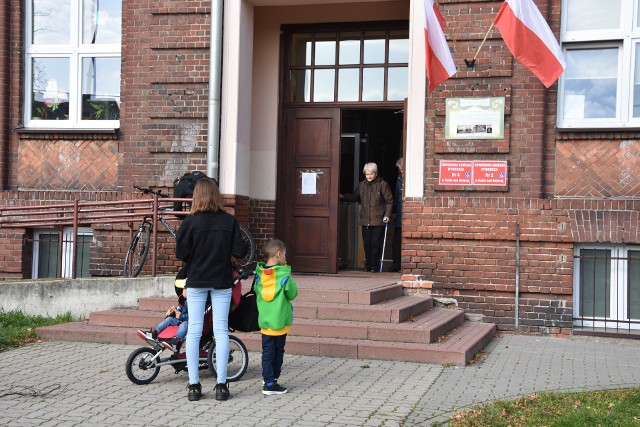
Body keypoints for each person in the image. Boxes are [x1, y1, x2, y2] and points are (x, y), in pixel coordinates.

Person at [175, 178, 248, 402]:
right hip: (222, 281)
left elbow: (181, 254)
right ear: (216, 195)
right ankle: (221, 385)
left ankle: (194, 386)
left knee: (195, 331)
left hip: (197, 281)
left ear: (196, 197)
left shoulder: (189, 223)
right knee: (220, 331)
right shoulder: (229, 221)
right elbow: (240, 250)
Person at [254, 238, 298, 395]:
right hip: (280, 322)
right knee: (278, 352)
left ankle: (268, 378)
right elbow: (292, 293)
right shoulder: (284, 276)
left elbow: (257, 292)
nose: (286, 257)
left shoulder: (259, 275)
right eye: (285, 254)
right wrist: (287, 272)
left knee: (267, 352)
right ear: (279, 254)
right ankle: (271, 383)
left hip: (265, 321)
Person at [340, 162, 393, 272]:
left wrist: (387, 215)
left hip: (378, 220)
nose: (369, 176)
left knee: (375, 245)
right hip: (365, 220)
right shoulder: (362, 185)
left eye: (371, 174)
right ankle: (368, 265)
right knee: (367, 244)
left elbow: (389, 201)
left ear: (376, 173)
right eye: (367, 174)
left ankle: (375, 266)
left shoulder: (383, 184)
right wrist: (342, 196)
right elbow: (355, 197)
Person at [137, 287, 188, 353]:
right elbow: (178, 310)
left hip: (189, 323)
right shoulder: (183, 301)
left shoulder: (195, 302)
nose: (184, 291)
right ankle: (154, 333)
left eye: (185, 289)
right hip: (180, 320)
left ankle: (175, 341)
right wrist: (172, 313)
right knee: (169, 319)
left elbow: (193, 317)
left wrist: (180, 315)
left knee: (184, 324)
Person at [390, 157, 403, 272]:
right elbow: (396, 197)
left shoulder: (409, 178)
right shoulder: (399, 179)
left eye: (402, 169)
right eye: (400, 169)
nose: (401, 171)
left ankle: (403, 265)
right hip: (399, 213)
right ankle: (396, 263)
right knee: (396, 242)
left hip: (407, 214)